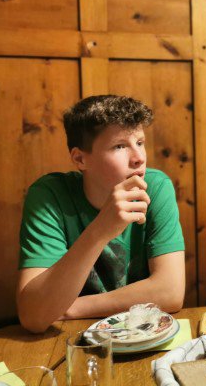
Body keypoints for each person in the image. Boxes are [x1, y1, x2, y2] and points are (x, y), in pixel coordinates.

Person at [16, 95, 185, 333]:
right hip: (70, 339)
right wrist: (99, 231)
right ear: (80, 158)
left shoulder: (155, 187)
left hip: (141, 334)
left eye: (140, 142)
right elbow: (33, 316)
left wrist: (70, 308)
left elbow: (170, 292)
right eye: (120, 146)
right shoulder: (49, 197)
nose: (139, 158)